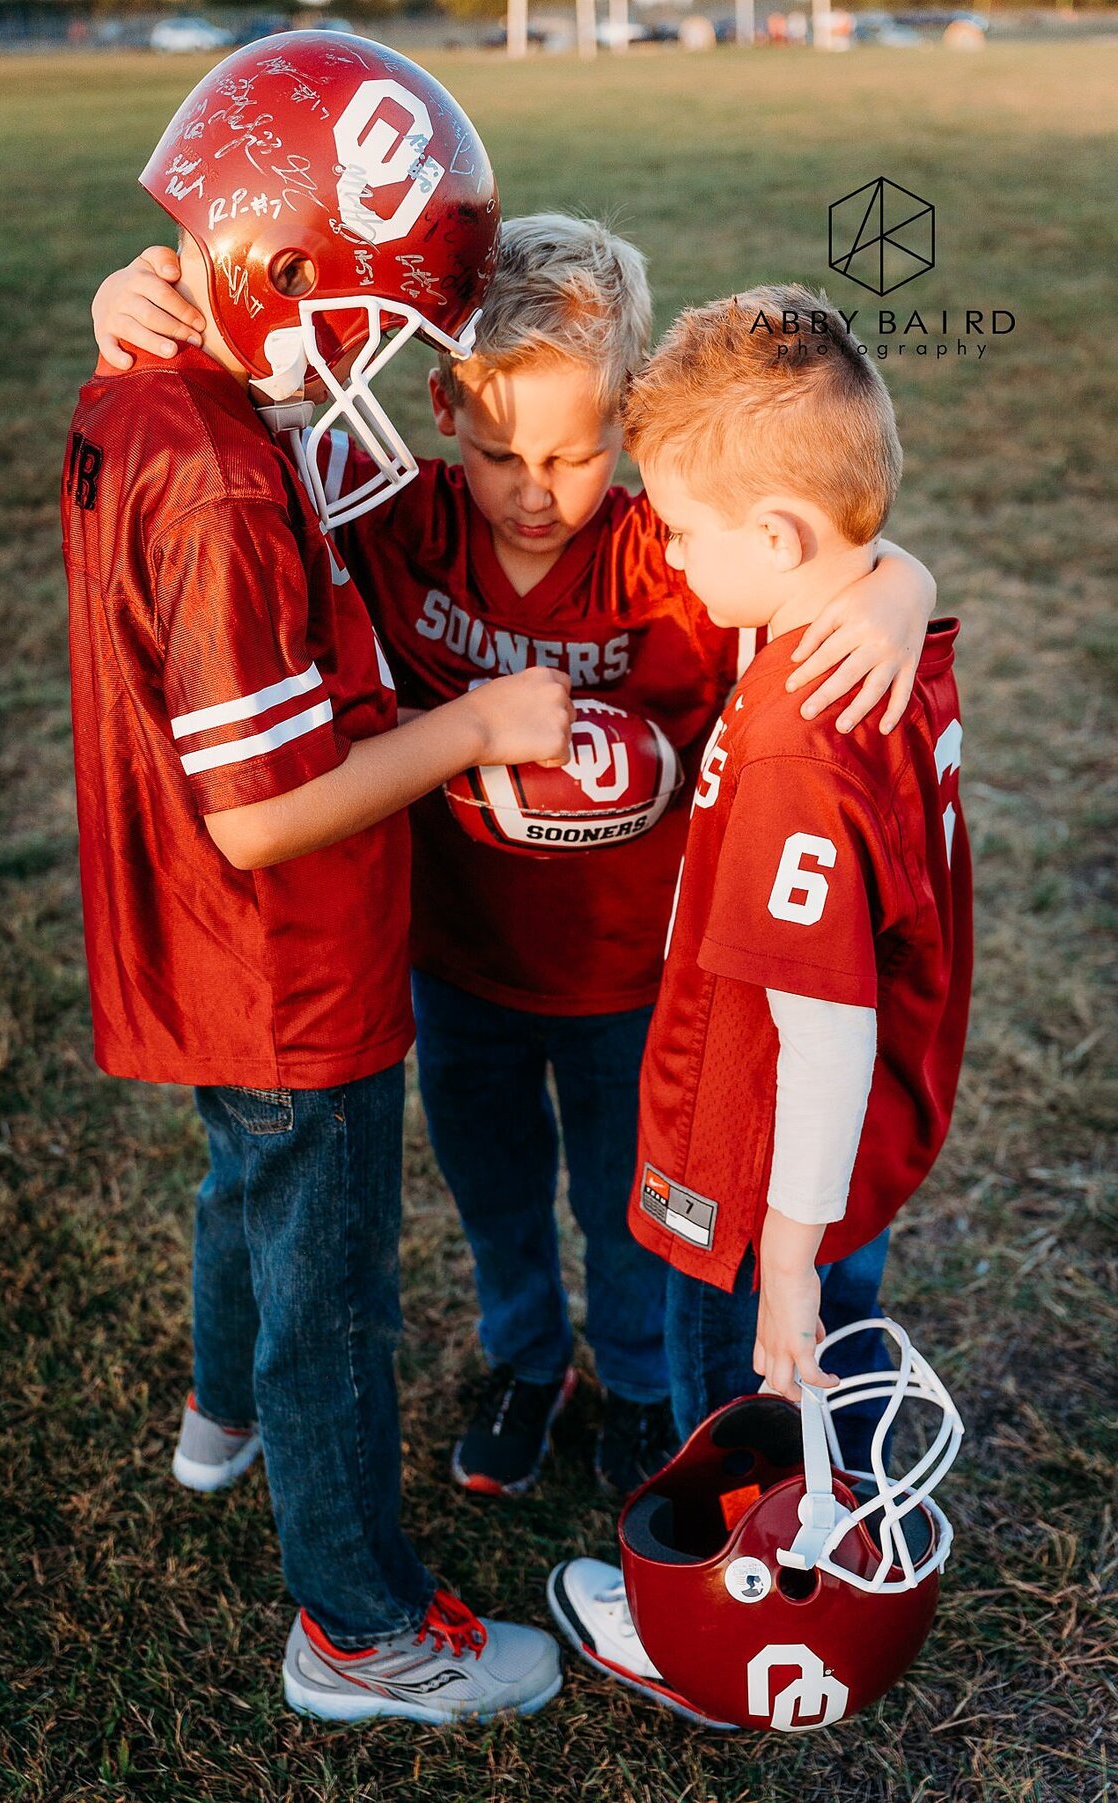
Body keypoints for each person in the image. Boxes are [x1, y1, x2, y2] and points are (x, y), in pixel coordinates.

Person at [92, 220, 940, 1504]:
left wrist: (894, 582)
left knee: (628, 1215)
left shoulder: (674, 554)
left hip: (628, 980)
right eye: (498, 452)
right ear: (440, 407)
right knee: (495, 1194)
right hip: (461, 959)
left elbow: (813, 547)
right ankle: (523, 1359)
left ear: (630, 420)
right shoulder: (394, 516)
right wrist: (127, 300)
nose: (534, 487)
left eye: (574, 452)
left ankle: (640, 1380)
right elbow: (234, 414)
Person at [63, 35, 574, 1726]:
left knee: (249, 1193)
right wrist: (484, 723)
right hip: (286, 955)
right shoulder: (219, 472)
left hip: (217, 962)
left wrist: (131, 294)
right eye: (361, 321)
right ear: (275, 272)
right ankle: (356, 1628)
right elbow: (268, 815)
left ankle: (223, 1417)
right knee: (335, 1294)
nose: (364, 371)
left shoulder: (152, 390)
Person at [546, 287, 972, 1724]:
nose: (665, 548)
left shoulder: (803, 724)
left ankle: (715, 1613)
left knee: (734, 1367)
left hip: (766, 1146)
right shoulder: (853, 631)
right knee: (826, 1351)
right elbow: (838, 550)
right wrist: (895, 567)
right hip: (844, 1144)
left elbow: (827, 1018)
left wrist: (781, 1240)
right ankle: (825, 1539)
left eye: (678, 526)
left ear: (779, 540)